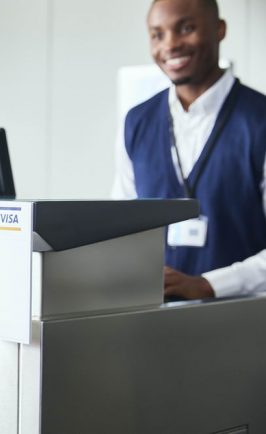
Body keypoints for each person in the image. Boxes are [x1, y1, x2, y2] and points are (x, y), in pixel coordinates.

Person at [112, 0, 266, 300]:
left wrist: (210, 284)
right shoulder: (136, 122)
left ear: (219, 30)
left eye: (186, 28)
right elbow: (120, 229)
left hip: (244, 319)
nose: (170, 45)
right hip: (153, 315)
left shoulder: (259, 120)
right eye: (157, 34)